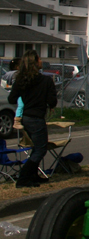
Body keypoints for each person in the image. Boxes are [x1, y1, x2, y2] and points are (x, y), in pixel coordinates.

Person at [8, 50, 57, 188]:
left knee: (35, 147)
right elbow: (52, 101)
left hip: (25, 117)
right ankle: (23, 178)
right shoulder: (45, 81)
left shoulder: (21, 80)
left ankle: (33, 176)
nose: (41, 61)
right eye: (39, 59)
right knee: (41, 149)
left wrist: (24, 98)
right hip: (37, 118)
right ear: (35, 63)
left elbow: (11, 98)